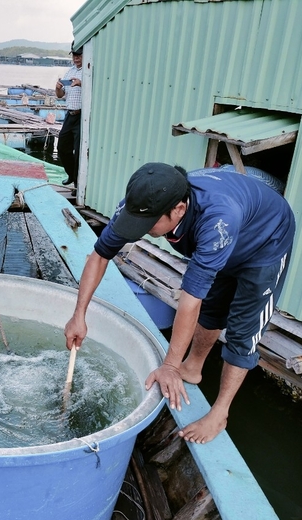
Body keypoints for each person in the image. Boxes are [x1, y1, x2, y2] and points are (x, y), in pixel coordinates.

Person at [64, 162, 295, 443]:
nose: (140, 230)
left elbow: (188, 302)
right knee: (213, 307)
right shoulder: (141, 204)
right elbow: (99, 256)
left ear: (179, 210)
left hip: (265, 243)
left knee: (243, 331)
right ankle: (193, 368)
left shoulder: (217, 220)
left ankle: (220, 412)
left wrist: (169, 366)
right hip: (227, 236)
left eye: (147, 225)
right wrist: (79, 315)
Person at [55, 43, 83, 193]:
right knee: (62, 148)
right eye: (74, 55)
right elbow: (60, 95)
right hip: (69, 115)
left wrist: (82, 84)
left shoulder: (88, 71)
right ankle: (71, 175)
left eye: (79, 55)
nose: (76, 58)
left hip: (81, 116)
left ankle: (78, 185)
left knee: (78, 152)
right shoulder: (69, 71)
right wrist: (58, 88)